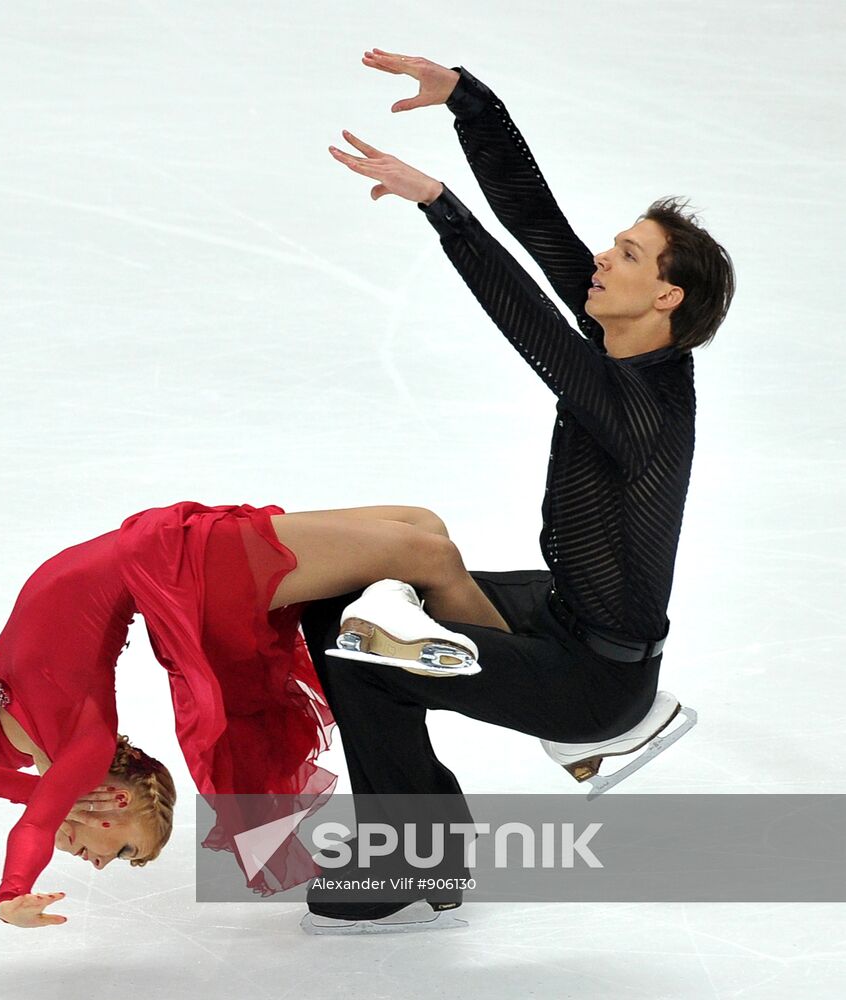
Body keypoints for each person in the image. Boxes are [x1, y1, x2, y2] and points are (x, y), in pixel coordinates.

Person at [299, 51, 736, 934]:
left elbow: (523, 318)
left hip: (588, 676)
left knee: (362, 656)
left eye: (627, 254)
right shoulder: (627, 346)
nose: (603, 259)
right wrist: (468, 100)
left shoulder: (637, 404)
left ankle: (406, 859)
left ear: (666, 294)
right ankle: (426, 830)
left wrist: (438, 206)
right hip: (564, 611)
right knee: (338, 603)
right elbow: (537, 222)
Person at [0, 499, 502, 928]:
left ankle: (540, 693)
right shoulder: (42, 749)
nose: (102, 864)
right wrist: (32, 790)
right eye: (125, 858)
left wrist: (12, 892)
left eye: (128, 853)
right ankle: (536, 688)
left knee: (424, 537)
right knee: (425, 541)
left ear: (119, 804)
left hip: (175, 560)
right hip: (167, 559)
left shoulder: (76, 753)